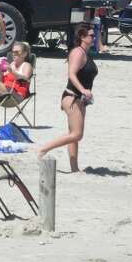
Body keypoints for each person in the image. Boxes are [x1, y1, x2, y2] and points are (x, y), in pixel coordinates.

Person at [38, 23, 98, 173]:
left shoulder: (85, 52)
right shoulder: (78, 53)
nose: (94, 37)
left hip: (79, 99)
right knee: (77, 134)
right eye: (91, 35)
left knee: (73, 135)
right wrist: (83, 89)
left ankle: (74, 168)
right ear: (82, 37)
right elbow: (71, 73)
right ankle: (43, 149)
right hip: (72, 98)